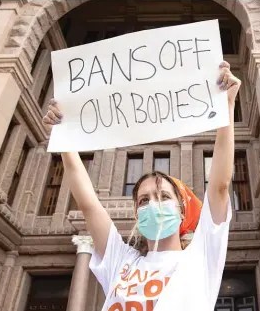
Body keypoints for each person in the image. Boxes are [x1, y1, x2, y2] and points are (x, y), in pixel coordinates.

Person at [42, 61, 241, 311]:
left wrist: (227, 107)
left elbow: (220, 186)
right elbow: (89, 205)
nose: (153, 204)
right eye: (144, 200)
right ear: (136, 214)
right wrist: (62, 140)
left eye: (163, 196)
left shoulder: (201, 256)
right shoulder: (121, 261)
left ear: (181, 211)